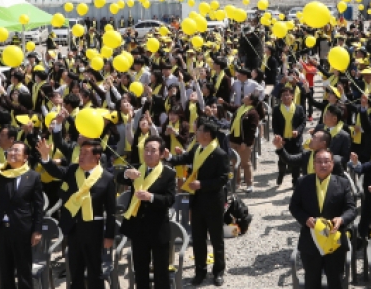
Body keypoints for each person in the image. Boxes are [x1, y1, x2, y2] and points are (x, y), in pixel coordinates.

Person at [37, 138, 115, 289]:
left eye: (86, 153)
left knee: (94, 271)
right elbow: (56, 172)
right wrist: (46, 157)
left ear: (97, 157)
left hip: (94, 228)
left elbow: (111, 210)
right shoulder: (73, 170)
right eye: (81, 152)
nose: (81, 156)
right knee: (75, 270)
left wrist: (109, 235)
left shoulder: (106, 178)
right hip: (74, 228)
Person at [166, 117, 229, 286]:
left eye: (199, 130)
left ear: (207, 134)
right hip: (197, 201)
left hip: (213, 201)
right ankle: (200, 270)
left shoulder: (219, 154)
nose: (197, 133)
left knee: (216, 239)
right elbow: (185, 159)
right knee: (199, 238)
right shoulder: (197, 149)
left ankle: (218, 270)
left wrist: (202, 184)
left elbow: (223, 178)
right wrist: (170, 157)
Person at [0, 134, 44, 289]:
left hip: (22, 228)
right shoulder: (1, 173)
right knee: (5, 269)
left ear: (25, 157)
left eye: (17, 151)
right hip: (2, 228)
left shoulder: (33, 177)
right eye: (10, 151)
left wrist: (37, 230)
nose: (12, 153)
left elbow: (38, 206)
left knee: (24, 269)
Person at [289, 148, 357, 289]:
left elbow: (351, 209)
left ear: (332, 164)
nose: (323, 165)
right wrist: (305, 218)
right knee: (312, 280)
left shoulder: (342, 183)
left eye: (326, 161)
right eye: (319, 161)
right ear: (314, 164)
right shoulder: (303, 182)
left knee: (335, 280)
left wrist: (342, 219)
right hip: (311, 240)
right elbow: (294, 206)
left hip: (334, 241)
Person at [118, 136, 177, 289]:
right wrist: (126, 174)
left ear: (162, 153)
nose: (149, 154)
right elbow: (118, 177)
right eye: (146, 150)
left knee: (161, 272)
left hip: (158, 228)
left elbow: (170, 200)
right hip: (138, 228)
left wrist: (151, 197)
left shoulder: (168, 173)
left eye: (153, 151)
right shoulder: (137, 169)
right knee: (140, 269)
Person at [272, 86, 307, 187]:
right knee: (282, 161)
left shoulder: (299, 108)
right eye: (283, 95)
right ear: (281, 97)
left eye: (288, 95)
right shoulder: (277, 109)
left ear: (292, 96)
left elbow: (303, 122)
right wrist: (278, 137)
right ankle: (281, 174)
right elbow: (275, 125)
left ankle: (295, 181)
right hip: (283, 140)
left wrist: (298, 131)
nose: (286, 97)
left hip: (296, 140)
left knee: (296, 162)